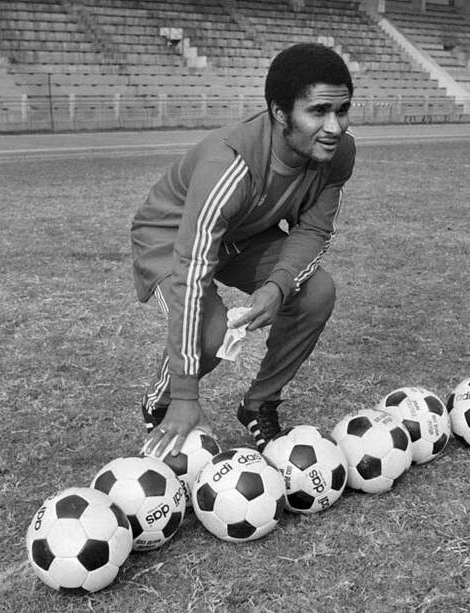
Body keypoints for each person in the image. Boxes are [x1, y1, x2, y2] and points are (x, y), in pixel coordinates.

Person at [132, 42, 355, 456]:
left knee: (316, 292)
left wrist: (277, 286)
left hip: (247, 233)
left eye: (341, 110)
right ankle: (162, 401)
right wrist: (186, 395)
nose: (334, 127)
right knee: (212, 335)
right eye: (318, 111)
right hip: (171, 236)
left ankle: (259, 404)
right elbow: (191, 272)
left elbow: (313, 229)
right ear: (279, 112)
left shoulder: (338, 154)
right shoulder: (228, 166)